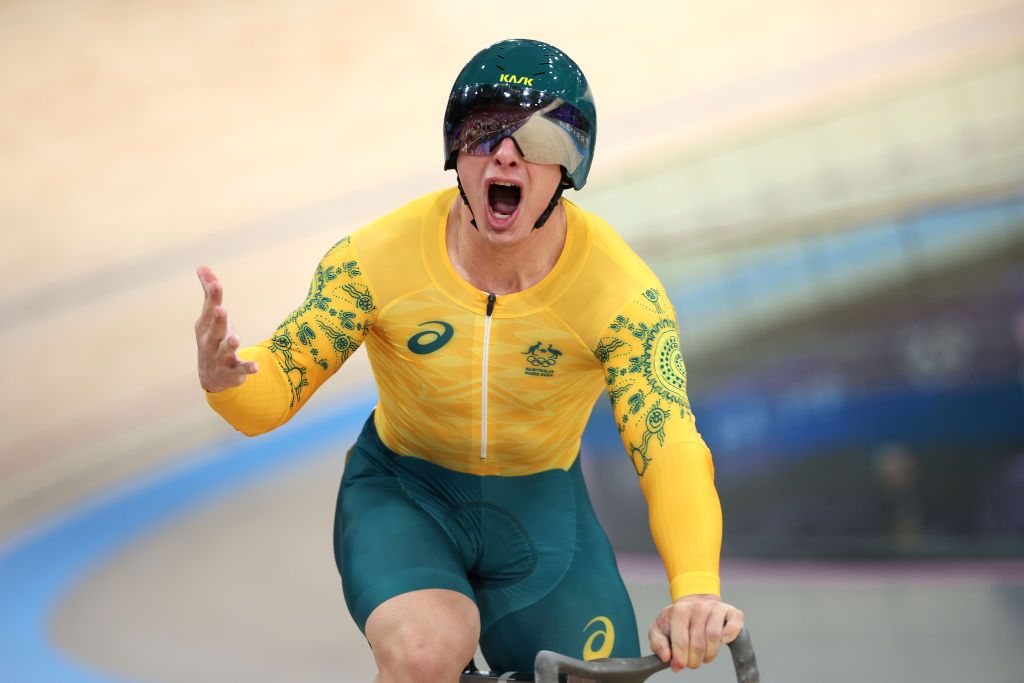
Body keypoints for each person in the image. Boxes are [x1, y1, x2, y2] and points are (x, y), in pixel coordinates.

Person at [195, 38, 744, 682]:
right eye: (484, 132)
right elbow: (275, 384)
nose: (507, 152)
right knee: (425, 655)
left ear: (570, 168)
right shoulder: (376, 258)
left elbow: (668, 442)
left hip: (542, 512)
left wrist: (696, 585)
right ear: (456, 152)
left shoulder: (623, 295)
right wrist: (227, 381)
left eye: (537, 139)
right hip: (406, 493)